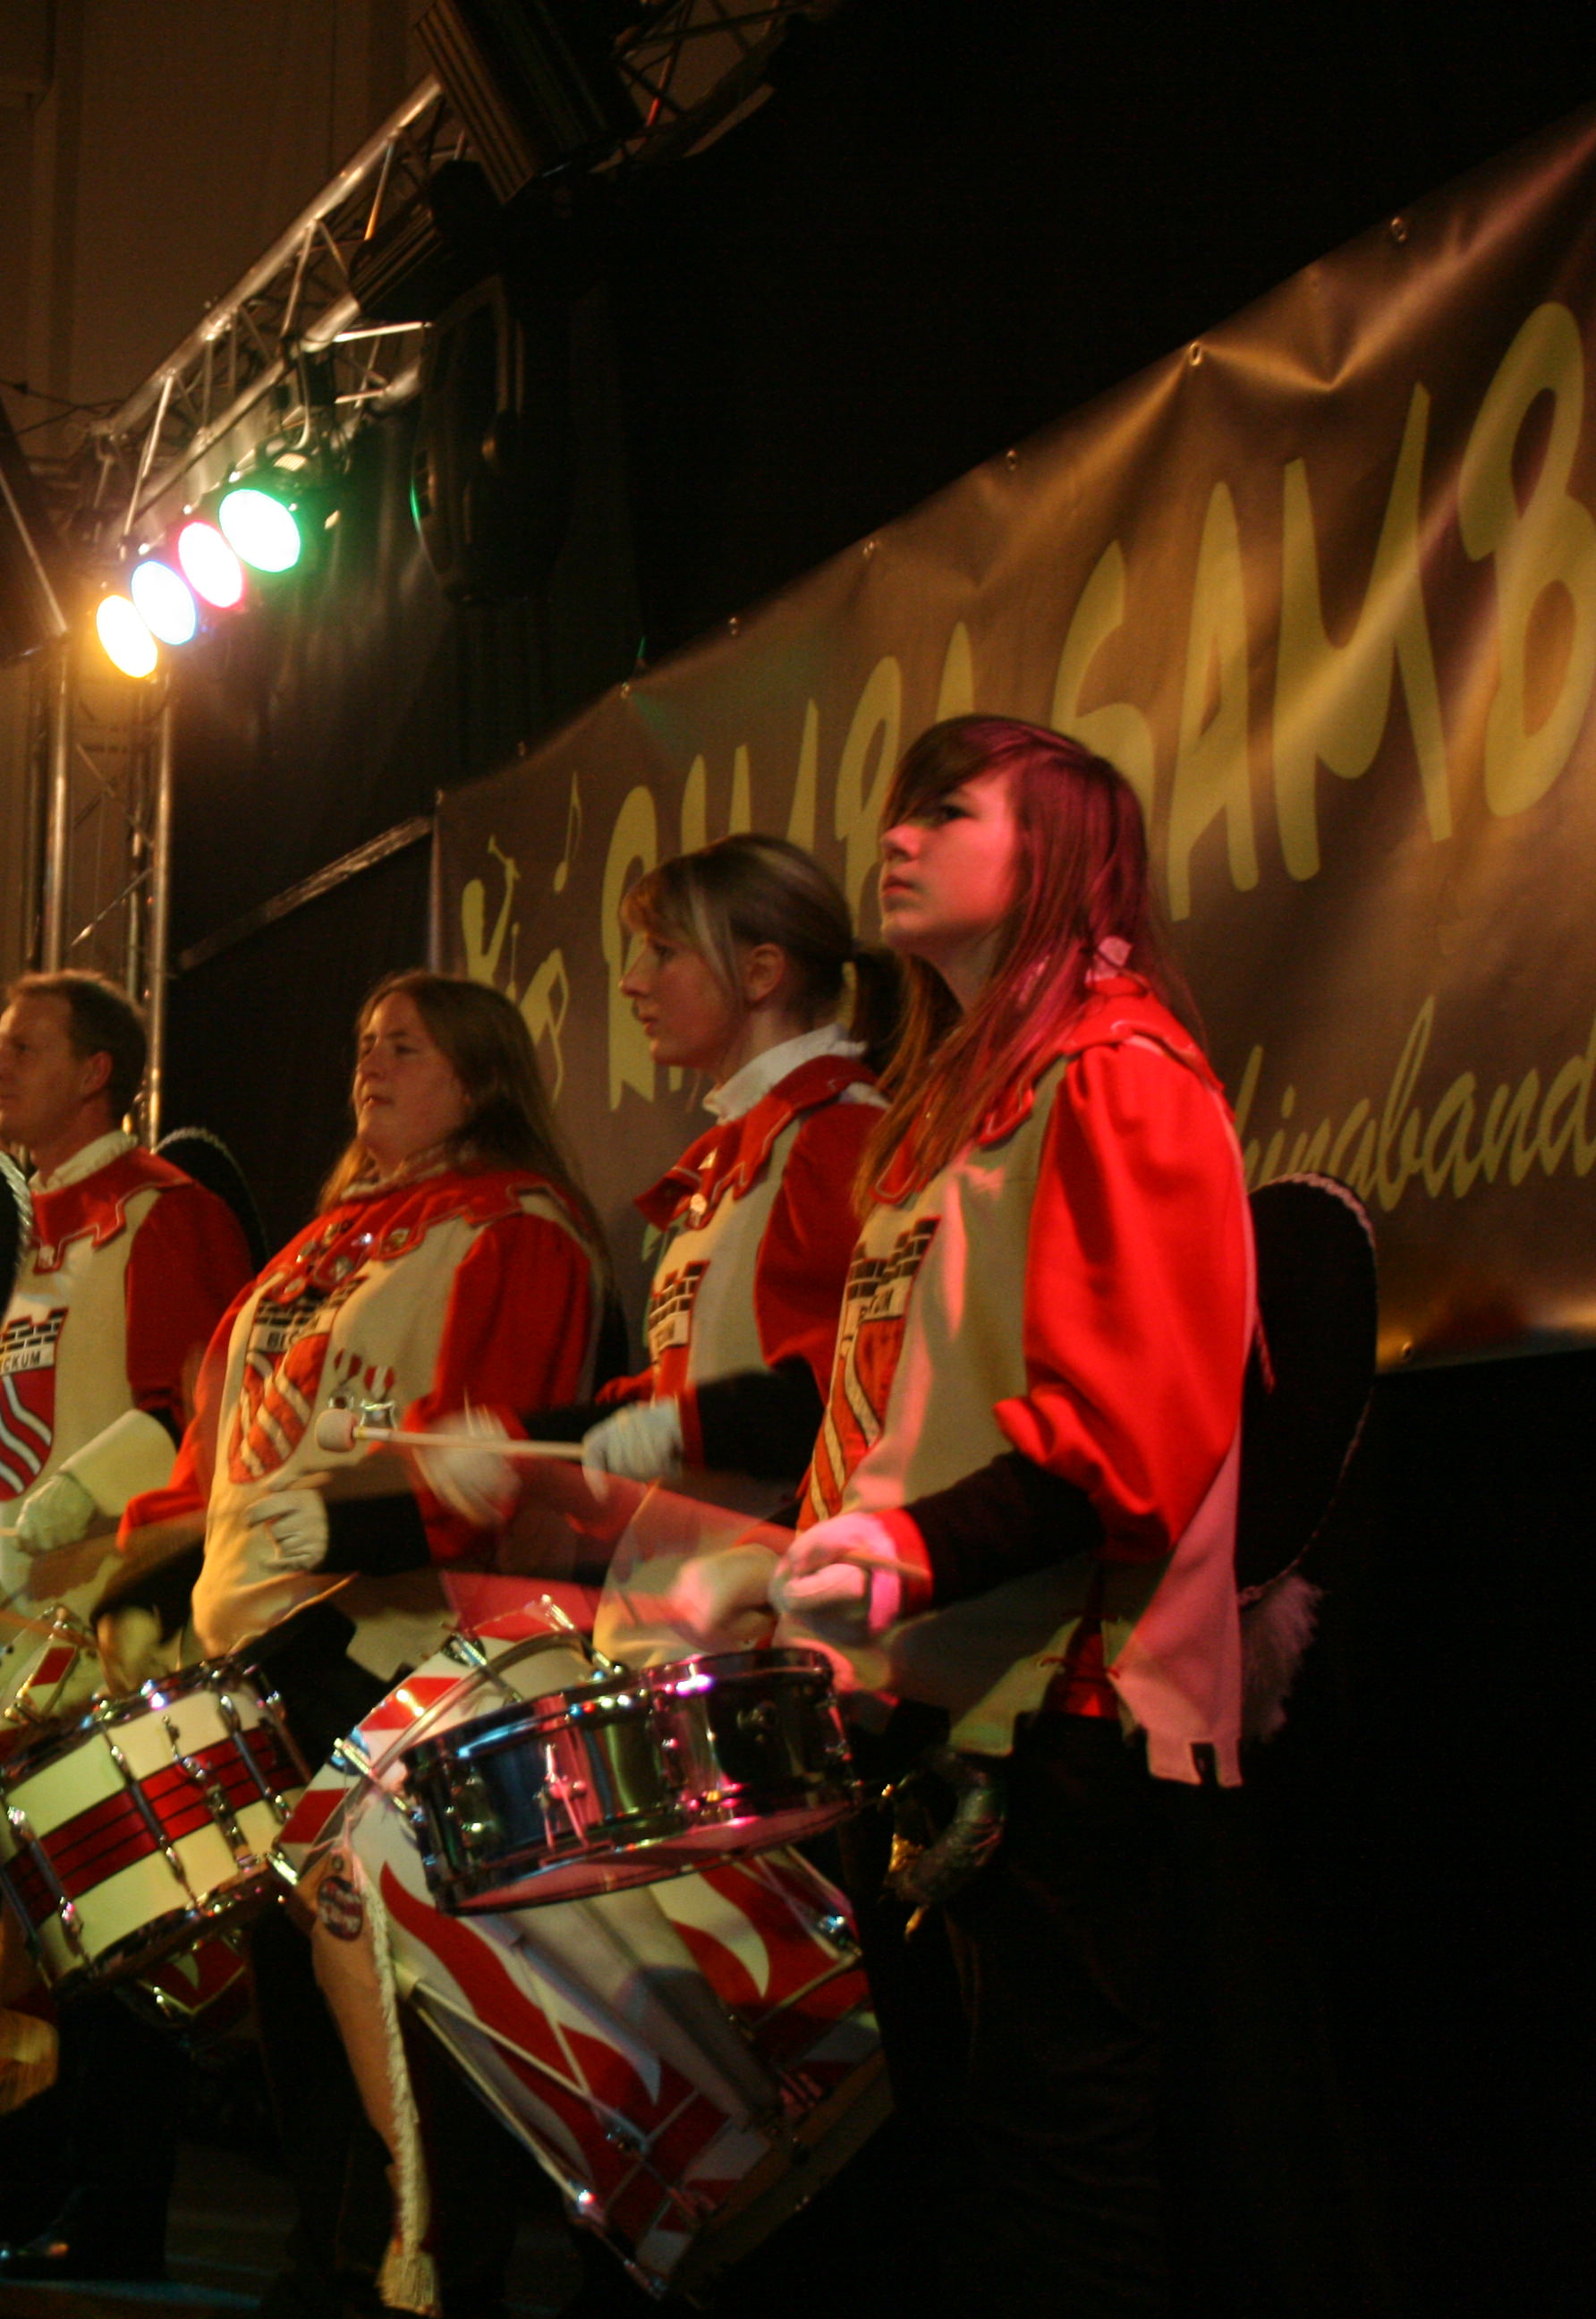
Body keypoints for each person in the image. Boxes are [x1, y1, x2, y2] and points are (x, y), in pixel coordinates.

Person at [665, 717, 1257, 2319]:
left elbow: (1137, 1427)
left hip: (1068, 1706)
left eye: (946, 810)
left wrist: (901, 1553)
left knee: (1056, 2178)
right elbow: (900, 1412)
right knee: (953, 2165)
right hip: (931, 1694)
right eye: (896, 812)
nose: (898, 839)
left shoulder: (1119, 1073)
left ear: (1058, 848)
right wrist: (788, 1567)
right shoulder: (952, 1103)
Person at [169, 972, 604, 2319]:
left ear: (479, 1074)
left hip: (396, 1652)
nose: (371, 1065)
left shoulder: (516, 1226)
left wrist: (359, 1528)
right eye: (362, 1043)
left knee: (398, 2003)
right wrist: (136, 1556)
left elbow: (501, 1458)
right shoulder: (328, 1235)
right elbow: (219, 1434)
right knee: (299, 1996)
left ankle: (416, 2271)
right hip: (268, 1645)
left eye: (404, 1048)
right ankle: (325, 2258)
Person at [0, 972, 253, 2280]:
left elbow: (194, 1402)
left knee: (105, 1910)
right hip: (10, 1617)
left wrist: (75, 1499)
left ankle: (112, 2199)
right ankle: (10, 2171)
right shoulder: (12, 1229)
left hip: (114, 1613)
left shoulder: (166, 1212)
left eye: (22, 1048)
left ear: (97, 1072)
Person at [419, 832, 892, 1528]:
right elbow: (687, 1390)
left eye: (664, 952)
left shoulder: (838, 1132)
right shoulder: (754, 1145)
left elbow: (848, 1387)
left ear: (761, 973)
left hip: (784, 1575)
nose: (632, 980)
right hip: (708, 1573)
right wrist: (513, 1438)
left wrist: (677, 1432)